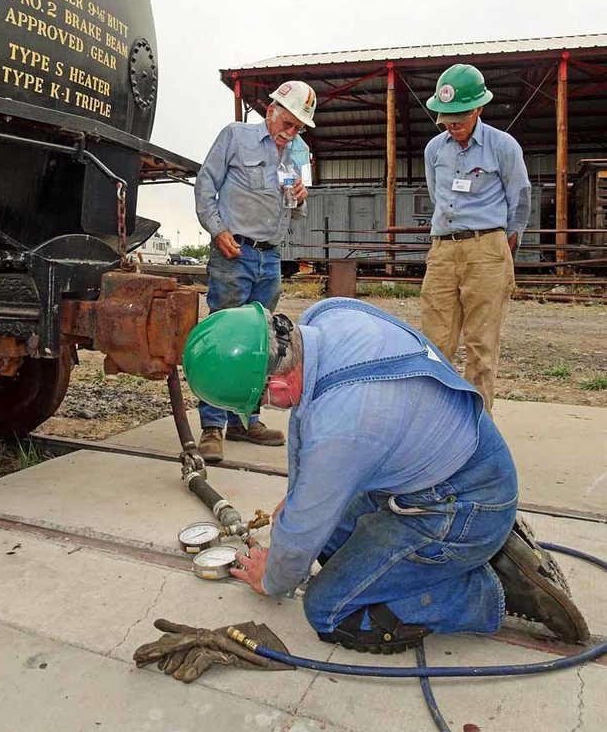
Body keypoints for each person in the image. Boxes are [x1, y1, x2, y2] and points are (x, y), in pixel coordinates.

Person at [181, 297, 589, 653]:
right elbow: (307, 428)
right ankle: (482, 546)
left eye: (263, 400)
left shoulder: (342, 424)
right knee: (327, 544)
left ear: (278, 380)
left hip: (460, 505)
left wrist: (273, 578)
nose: (268, 407)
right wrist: (300, 500)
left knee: (329, 609)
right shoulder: (328, 317)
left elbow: (305, 517)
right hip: (462, 468)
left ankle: (486, 590)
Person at [193, 80, 317, 463]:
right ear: (271, 111)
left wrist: (300, 198)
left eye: (298, 127)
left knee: (262, 343)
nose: (291, 133)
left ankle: (245, 420)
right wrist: (218, 231)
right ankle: (213, 426)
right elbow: (205, 185)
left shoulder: (296, 156)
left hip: (269, 259)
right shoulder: (236, 137)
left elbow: (294, 215)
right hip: (235, 254)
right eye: (288, 123)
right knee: (221, 337)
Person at [421, 64, 531, 415]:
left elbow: (521, 200)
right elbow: (437, 196)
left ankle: (479, 423)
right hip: (443, 250)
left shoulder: (503, 146)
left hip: (488, 249)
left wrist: (500, 245)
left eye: (460, 115)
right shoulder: (434, 150)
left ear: (479, 109)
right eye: (447, 116)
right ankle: (437, 418)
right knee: (433, 341)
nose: (453, 124)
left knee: (481, 342)